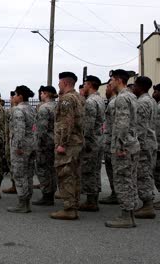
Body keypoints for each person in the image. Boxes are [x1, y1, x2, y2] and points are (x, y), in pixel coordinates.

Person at [105, 69, 140, 228]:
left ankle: (126, 216)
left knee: (123, 180)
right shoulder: (132, 96)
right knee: (130, 180)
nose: (109, 83)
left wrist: (119, 145)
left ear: (119, 80)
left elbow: (122, 124)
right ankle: (130, 214)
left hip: (123, 147)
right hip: (132, 144)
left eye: (111, 79)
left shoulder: (121, 98)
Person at [50, 72, 84, 220]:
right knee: (74, 174)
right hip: (77, 142)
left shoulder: (67, 99)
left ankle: (69, 208)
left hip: (68, 144)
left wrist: (62, 143)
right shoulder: (79, 97)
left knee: (66, 175)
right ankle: (74, 204)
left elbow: (66, 122)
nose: (58, 85)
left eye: (59, 83)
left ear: (65, 83)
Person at [7, 85, 36, 213]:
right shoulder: (31, 109)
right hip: (31, 144)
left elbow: (19, 129)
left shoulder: (18, 110)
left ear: (20, 96)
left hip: (21, 146)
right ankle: (26, 201)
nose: (13, 97)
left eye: (15, 94)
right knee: (28, 174)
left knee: (19, 174)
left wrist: (18, 146)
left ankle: (22, 203)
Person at [132, 76, 158, 219]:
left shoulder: (142, 103)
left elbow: (140, 128)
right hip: (150, 142)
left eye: (135, 86)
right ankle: (148, 203)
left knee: (143, 174)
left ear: (140, 87)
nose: (133, 88)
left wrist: (136, 145)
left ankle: (148, 205)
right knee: (147, 173)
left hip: (144, 144)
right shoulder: (152, 101)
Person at [79, 75, 105, 212]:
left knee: (88, 171)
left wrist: (84, 141)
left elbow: (88, 126)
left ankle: (91, 201)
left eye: (85, 84)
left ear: (89, 84)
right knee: (95, 171)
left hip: (91, 141)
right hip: (99, 139)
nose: (83, 87)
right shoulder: (100, 99)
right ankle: (93, 198)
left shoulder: (90, 102)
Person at [32, 85, 57, 206]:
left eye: (41, 93)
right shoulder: (57, 106)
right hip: (55, 142)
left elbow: (42, 130)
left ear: (46, 94)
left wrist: (38, 145)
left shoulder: (44, 108)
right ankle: (51, 193)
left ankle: (47, 195)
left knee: (43, 170)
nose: (40, 95)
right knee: (52, 170)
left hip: (44, 144)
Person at [99, 80, 119, 204]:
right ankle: (115, 193)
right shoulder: (112, 102)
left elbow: (118, 125)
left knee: (114, 171)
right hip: (110, 141)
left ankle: (117, 194)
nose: (106, 89)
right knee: (111, 170)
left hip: (113, 142)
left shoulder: (114, 103)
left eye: (108, 87)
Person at [2, 91, 18, 194]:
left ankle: (15, 186)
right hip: (16, 140)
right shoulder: (30, 109)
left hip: (12, 141)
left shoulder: (12, 111)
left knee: (13, 164)